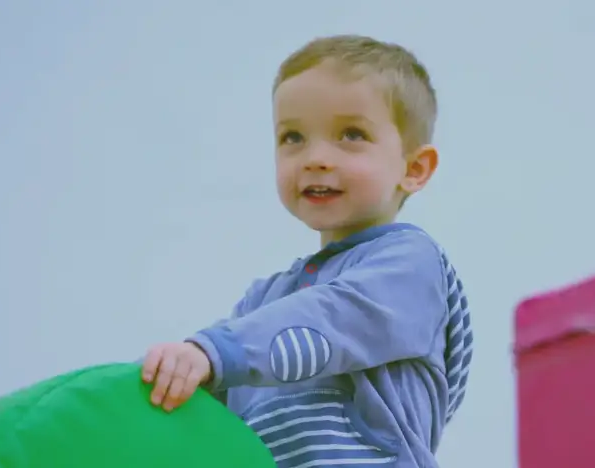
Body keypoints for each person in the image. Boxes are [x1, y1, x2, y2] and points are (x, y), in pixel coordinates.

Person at [140, 34, 473, 468]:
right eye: (292, 137)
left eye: (351, 134)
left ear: (413, 169)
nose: (315, 157)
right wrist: (155, 382)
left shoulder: (410, 265)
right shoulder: (263, 302)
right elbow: (208, 405)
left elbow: (333, 317)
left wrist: (212, 352)